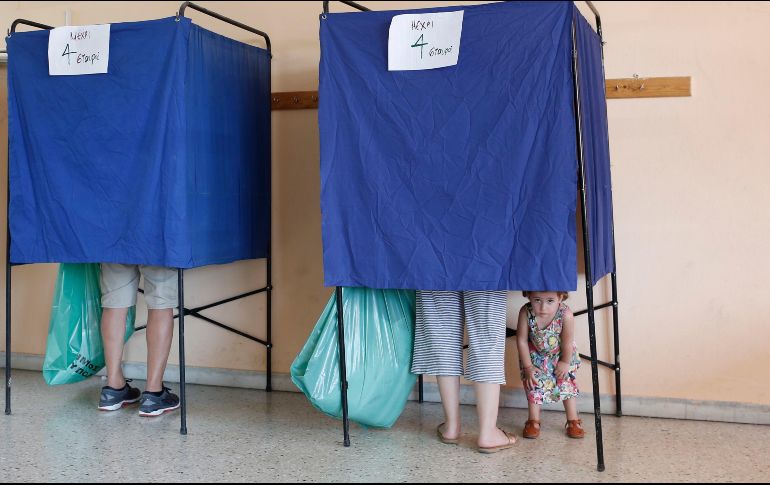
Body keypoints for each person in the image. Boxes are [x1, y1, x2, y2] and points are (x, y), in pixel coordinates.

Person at [411, 290, 517, 453]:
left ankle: (451, 427)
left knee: (442, 327)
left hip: (436, 264)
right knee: (486, 332)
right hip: (484, 265)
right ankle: (488, 432)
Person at [96, 264, 181, 417]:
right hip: (157, 242)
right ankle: (153, 394)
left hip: (114, 241)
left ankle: (113, 388)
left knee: (114, 301)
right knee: (160, 302)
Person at [516, 290, 584, 439]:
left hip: (561, 355)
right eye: (537, 300)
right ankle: (533, 420)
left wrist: (565, 362)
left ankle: (572, 420)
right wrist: (528, 367)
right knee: (533, 383)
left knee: (566, 384)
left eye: (550, 301)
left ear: (560, 297)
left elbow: (567, 342)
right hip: (536, 356)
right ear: (528, 296)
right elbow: (521, 340)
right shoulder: (525, 312)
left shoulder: (565, 314)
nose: (543, 307)